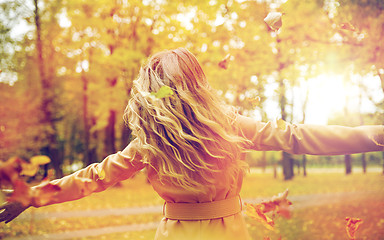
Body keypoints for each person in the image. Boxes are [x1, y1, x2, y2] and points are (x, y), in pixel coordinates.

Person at [0, 48, 383, 240]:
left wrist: (32, 195)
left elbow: (94, 178)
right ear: (198, 83)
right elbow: (295, 136)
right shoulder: (204, 130)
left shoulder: (154, 141)